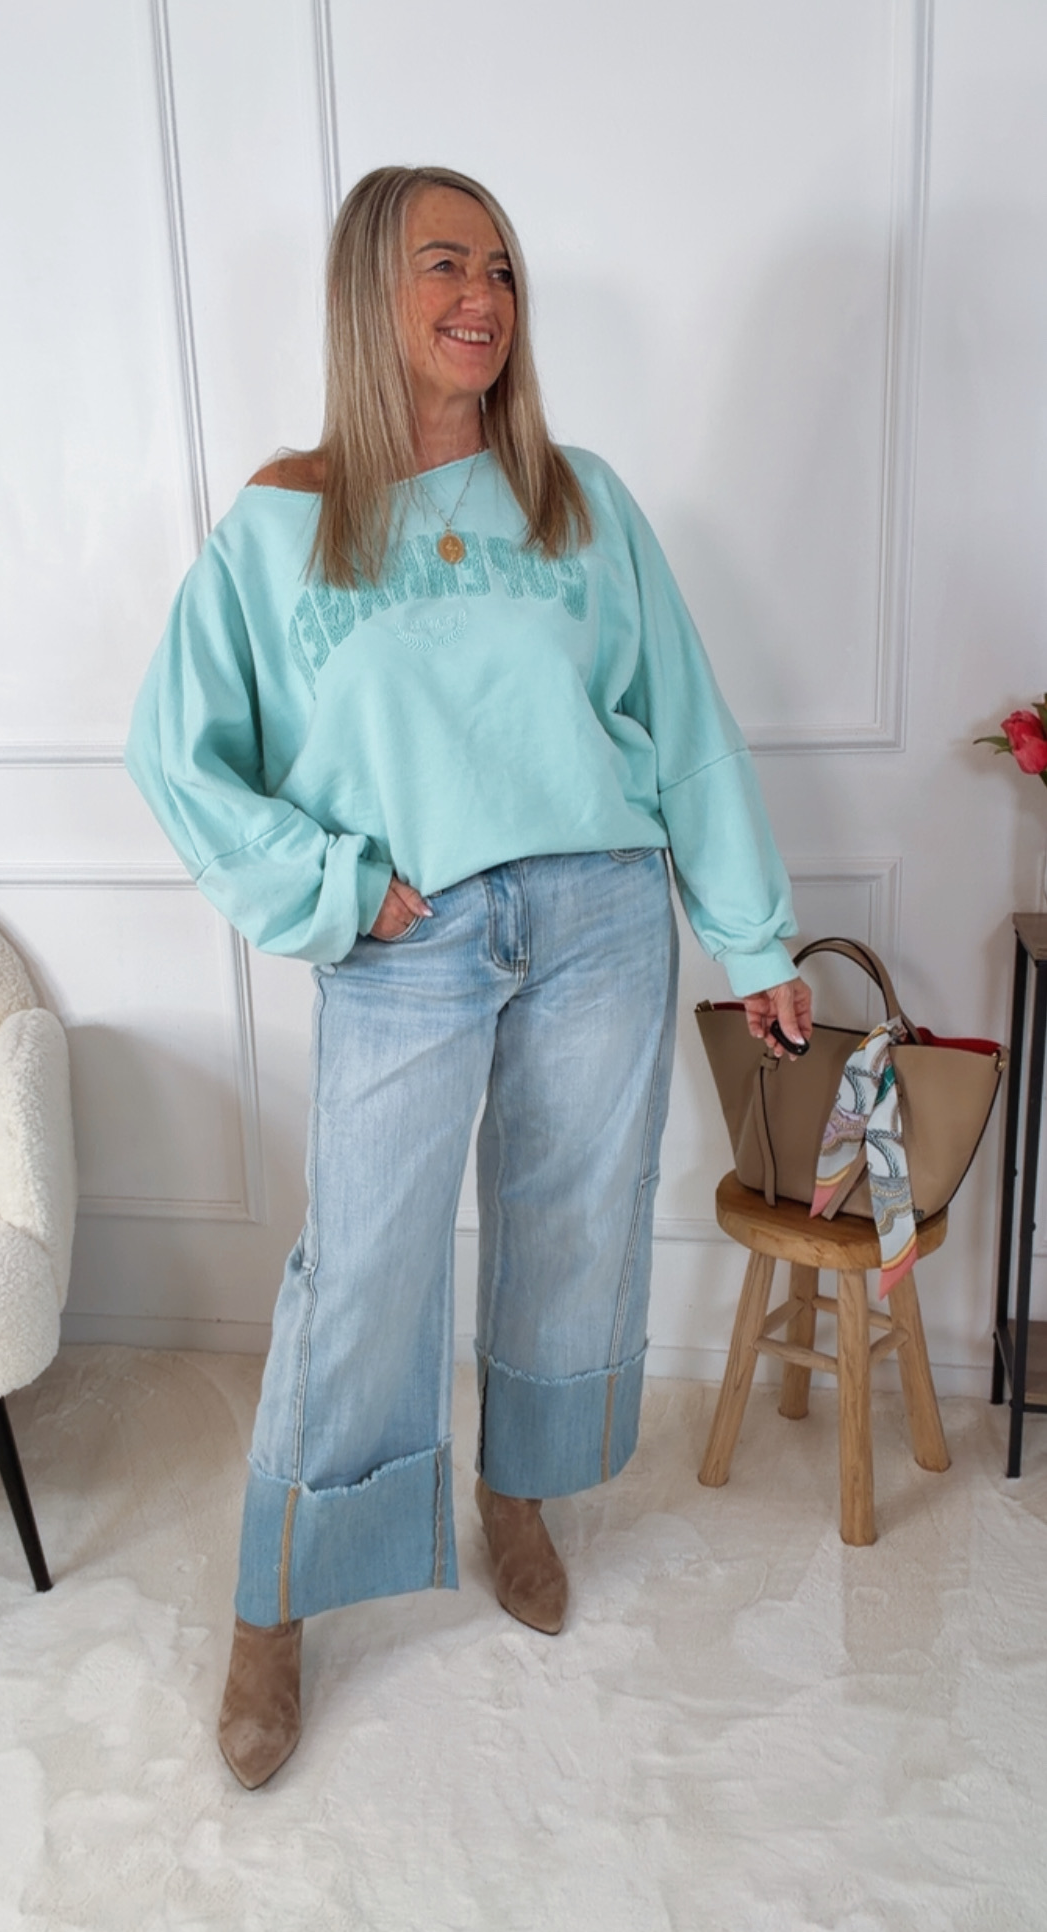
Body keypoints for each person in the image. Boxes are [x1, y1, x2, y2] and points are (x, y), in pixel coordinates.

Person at [126, 164, 812, 1790]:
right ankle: (276, 1604)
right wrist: (332, 892)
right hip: (406, 935)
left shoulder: (578, 500)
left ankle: (516, 1492)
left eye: (499, 268)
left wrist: (755, 937)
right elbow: (179, 755)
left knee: (569, 1228)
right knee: (361, 1268)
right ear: (372, 291)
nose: (481, 298)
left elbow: (684, 728)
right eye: (445, 264)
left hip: (598, 912)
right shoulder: (286, 520)